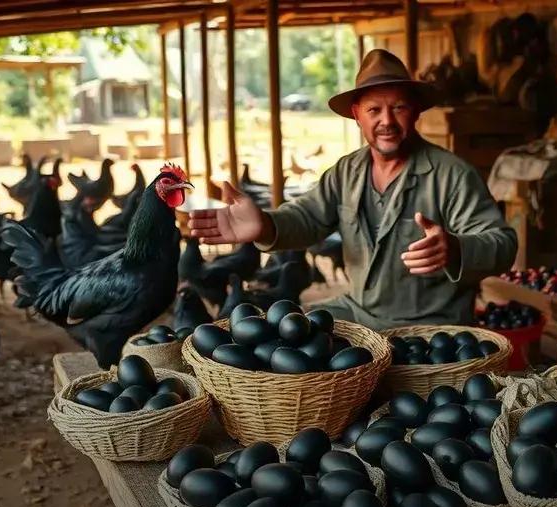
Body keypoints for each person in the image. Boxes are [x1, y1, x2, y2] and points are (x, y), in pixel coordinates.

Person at [188, 49, 517, 330]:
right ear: (357, 115)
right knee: (286, 330)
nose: (386, 120)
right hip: (358, 313)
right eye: (374, 110)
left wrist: (457, 249)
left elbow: (502, 243)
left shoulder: (452, 175)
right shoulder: (347, 171)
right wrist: (266, 225)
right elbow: (307, 216)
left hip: (429, 325)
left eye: (398, 107)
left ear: (415, 110)